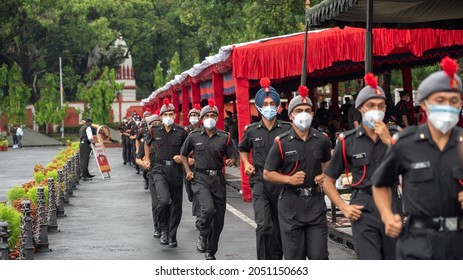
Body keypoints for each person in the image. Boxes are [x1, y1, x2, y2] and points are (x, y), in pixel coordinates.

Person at [372, 57, 463, 260]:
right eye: (440, 100)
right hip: (419, 243)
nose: (448, 106)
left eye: (454, 100)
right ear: (424, 104)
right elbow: (380, 184)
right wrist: (387, 215)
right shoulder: (406, 143)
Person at [323, 73, 401, 260]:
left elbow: (410, 167)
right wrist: (344, 207)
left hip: (392, 205)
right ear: (360, 108)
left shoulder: (396, 135)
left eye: (380, 106)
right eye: (371, 106)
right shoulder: (347, 140)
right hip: (363, 208)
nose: (376, 110)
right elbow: (328, 181)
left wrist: (388, 141)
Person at [263, 86, 331, 260]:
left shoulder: (322, 140)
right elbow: (268, 173)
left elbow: (327, 163)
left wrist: (325, 176)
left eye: (307, 110)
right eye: (299, 110)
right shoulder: (282, 142)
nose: (304, 114)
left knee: (319, 257)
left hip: (316, 205)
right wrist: (289, 179)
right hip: (291, 206)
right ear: (291, 115)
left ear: (313, 114)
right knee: (295, 258)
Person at [239, 77, 292, 260]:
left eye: (272, 103)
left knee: (279, 225)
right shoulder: (252, 130)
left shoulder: (287, 129)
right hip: (259, 180)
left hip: (281, 180)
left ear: (278, 106)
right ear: (259, 106)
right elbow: (243, 148)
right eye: (265, 103)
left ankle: (276, 261)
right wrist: (246, 163)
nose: (269, 106)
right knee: (263, 224)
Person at [180, 98, 237, 260]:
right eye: (206, 116)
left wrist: (231, 160)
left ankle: (211, 251)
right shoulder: (193, 136)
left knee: (218, 221)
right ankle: (202, 232)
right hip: (200, 178)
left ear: (217, 118)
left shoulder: (225, 137)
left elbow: (233, 155)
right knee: (208, 209)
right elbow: (183, 155)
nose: (210, 118)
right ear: (202, 119)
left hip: (218, 180)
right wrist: (187, 171)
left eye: (213, 115)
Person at [145, 99, 187, 248]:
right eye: (165, 114)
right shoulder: (154, 130)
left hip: (175, 170)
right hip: (159, 169)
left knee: (176, 205)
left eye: (171, 114)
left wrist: (182, 158)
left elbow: (189, 149)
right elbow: (147, 143)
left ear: (175, 115)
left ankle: (172, 235)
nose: (168, 116)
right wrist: (146, 158)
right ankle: (163, 229)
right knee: (163, 200)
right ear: (161, 116)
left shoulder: (182, 131)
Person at [138, 111, 162, 238]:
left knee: (167, 202)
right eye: (153, 124)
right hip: (152, 174)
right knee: (156, 203)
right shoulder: (147, 141)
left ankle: (166, 227)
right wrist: (144, 162)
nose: (156, 125)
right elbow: (138, 157)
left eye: (158, 123)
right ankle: (157, 227)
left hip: (166, 174)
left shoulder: (166, 139)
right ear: (148, 126)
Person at [184, 104, 202, 220]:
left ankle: (199, 218)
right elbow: (182, 150)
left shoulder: (203, 130)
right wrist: (188, 157)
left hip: (200, 165)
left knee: (198, 192)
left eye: (196, 115)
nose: (194, 117)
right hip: (188, 166)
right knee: (190, 191)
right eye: (192, 115)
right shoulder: (185, 131)